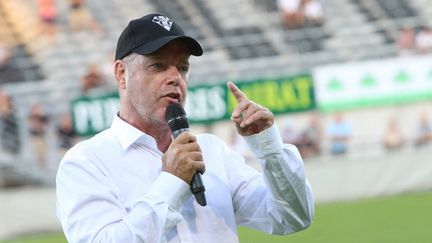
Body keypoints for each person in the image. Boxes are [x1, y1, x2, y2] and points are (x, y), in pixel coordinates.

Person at [56, 13, 314, 242]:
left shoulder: (212, 151)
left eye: (183, 67)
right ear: (122, 74)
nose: (175, 78)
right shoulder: (86, 163)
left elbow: (293, 217)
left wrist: (269, 147)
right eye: (158, 65)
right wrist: (172, 182)